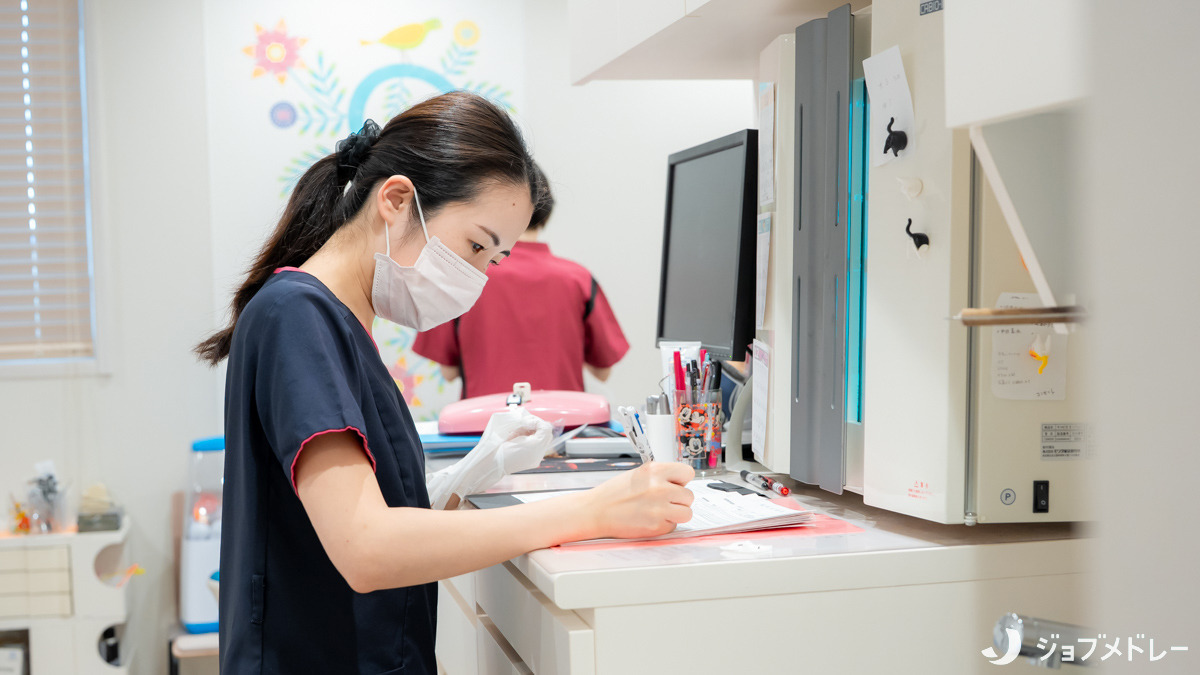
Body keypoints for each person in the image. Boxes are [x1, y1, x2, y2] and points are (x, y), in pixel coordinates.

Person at [195, 92, 695, 675]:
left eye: (495, 259)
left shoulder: (339, 320)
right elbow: (366, 548)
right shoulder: (298, 316)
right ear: (398, 200)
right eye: (475, 245)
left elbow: (352, 512)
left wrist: (471, 472)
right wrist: (593, 511)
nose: (480, 277)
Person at [412, 164, 629, 398]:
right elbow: (603, 371)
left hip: (484, 428)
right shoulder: (579, 280)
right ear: (545, 212)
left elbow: (449, 371)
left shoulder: (464, 274)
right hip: (562, 426)